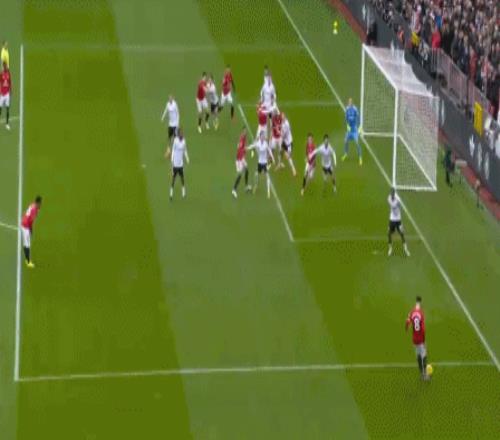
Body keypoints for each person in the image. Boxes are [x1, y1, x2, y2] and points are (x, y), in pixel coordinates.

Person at [406, 296, 430, 380]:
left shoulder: (411, 312)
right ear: (420, 302)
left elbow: (407, 322)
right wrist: (424, 340)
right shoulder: (421, 313)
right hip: (420, 339)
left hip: (414, 339)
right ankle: (425, 375)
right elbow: (423, 329)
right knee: (424, 355)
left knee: (418, 356)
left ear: (416, 302)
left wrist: (407, 329)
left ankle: (421, 373)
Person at [247, 130, 275, 199]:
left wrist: (272, 158)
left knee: (267, 176)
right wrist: (247, 148)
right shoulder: (258, 143)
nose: (262, 137)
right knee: (256, 174)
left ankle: (268, 191)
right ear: (260, 136)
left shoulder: (265, 144)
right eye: (261, 136)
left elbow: (269, 150)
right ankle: (256, 185)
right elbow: (252, 146)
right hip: (259, 162)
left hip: (264, 163)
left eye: (263, 136)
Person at [167, 128, 189, 200]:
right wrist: (172, 159)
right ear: (178, 134)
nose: (182, 134)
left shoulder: (184, 141)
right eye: (181, 133)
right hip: (175, 164)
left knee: (182, 178)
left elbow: (185, 150)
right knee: (173, 179)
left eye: (182, 133)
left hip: (181, 163)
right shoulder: (175, 141)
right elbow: (173, 150)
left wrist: (187, 158)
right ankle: (171, 193)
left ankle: (183, 192)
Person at [388, 187, 410, 256]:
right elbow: (393, 205)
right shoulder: (389, 198)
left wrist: (398, 203)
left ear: (394, 193)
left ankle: (406, 249)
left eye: (393, 193)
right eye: (391, 193)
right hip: (392, 219)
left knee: (402, 233)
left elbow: (399, 205)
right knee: (389, 233)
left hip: (398, 219)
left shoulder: (398, 199)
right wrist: (397, 203)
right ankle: (390, 249)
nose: (392, 194)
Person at [21, 196, 42, 268]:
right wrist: (31, 229)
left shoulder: (33, 206)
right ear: (38, 202)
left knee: (27, 243)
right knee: (27, 244)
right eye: (40, 203)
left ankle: (27, 259)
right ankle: (28, 262)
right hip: (25, 226)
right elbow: (30, 220)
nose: (41, 204)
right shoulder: (34, 209)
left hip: (25, 224)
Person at [232, 127, 251, 198]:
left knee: (246, 170)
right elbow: (239, 149)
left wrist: (245, 148)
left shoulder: (244, 138)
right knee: (240, 174)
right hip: (239, 159)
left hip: (242, 158)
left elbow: (241, 147)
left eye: (246, 131)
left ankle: (246, 186)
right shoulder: (242, 138)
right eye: (244, 131)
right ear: (242, 131)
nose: (245, 132)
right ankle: (234, 190)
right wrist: (245, 150)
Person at [342, 98, 362, 165]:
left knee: (357, 143)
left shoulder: (355, 109)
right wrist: (347, 125)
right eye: (349, 102)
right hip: (349, 130)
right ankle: (346, 153)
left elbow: (358, 118)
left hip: (354, 130)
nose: (350, 103)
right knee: (345, 141)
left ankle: (360, 157)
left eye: (351, 102)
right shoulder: (347, 109)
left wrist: (359, 127)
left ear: (352, 102)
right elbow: (346, 118)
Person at [0, 62, 11, 130]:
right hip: (2, 94)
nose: (5, 67)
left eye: (6, 66)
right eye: (4, 66)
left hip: (7, 94)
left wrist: (10, 90)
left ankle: (7, 124)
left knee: (7, 108)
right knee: (0, 109)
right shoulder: (1, 74)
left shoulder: (8, 74)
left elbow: (10, 82)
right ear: (3, 67)